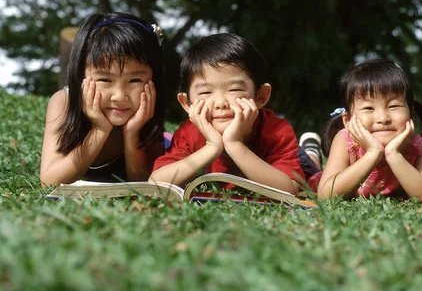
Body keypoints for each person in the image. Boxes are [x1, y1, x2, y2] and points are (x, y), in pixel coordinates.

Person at [150, 33, 305, 194]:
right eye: (205, 92)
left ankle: (310, 150)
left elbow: (289, 189)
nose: (220, 103)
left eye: (235, 89)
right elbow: (155, 183)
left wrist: (234, 144)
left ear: (261, 95)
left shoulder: (276, 131)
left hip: (297, 157)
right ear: (187, 103)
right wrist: (211, 147)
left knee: (310, 169)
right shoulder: (189, 134)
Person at [40, 12, 168, 186]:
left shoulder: (148, 107)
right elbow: (49, 182)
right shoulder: (64, 102)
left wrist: (132, 133)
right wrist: (99, 130)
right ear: (81, 76)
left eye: (135, 80)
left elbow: (144, 183)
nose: (119, 96)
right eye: (104, 80)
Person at [315, 59, 422, 202]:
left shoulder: (418, 145)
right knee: (312, 177)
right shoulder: (345, 141)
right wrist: (373, 153)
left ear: (411, 114)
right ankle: (311, 152)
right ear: (347, 120)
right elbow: (326, 196)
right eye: (368, 108)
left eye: (394, 106)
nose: (383, 118)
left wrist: (394, 155)